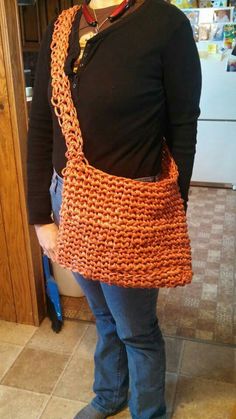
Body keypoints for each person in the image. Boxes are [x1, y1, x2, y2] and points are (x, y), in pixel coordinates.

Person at [27, 0, 201, 417]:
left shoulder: (166, 24)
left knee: (137, 330)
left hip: (131, 212)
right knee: (103, 315)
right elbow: (41, 129)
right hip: (66, 199)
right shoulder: (61, 27)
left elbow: (183, 127)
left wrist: (168, 208)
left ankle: (148, 411)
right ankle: (110, 394)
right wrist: (40, 218)